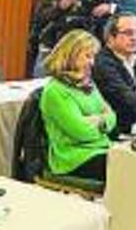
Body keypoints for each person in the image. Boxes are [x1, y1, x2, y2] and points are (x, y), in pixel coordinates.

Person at [40, 30, 115, 182]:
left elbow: (113, 117)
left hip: (101, 149)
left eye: (93, 57)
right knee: (131, 171)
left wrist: (97, 120)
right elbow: (81, 132)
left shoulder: (87, 84)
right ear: (71, 54)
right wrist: (103, 121)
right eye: (88, 56)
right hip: (73, 159)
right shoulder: (55, 90)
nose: (92, 62)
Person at [91, 13, 136, 134]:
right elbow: (130, 104)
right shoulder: (103, 64)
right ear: (110, 37)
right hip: (120, 132)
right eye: (128, 33)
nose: (134, 38)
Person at [28, 0, 87, 77]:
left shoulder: (84, 2)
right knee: (40, 82)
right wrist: (59, 8)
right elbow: (39, 19)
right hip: (49, 49)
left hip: (72, 53)